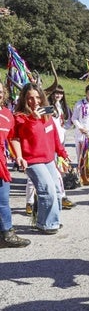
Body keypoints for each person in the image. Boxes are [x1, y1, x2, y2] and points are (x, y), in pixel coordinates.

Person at [11, 83, 71, 234]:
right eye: (30, 98)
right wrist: (32, 118)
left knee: (57, 191)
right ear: (24, 99)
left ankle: (52, 220)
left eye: (38, 97)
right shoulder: (19, 117)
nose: (35, 101)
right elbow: (20, 136)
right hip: (32, 160)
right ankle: (46, 224)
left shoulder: (47, 113)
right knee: (47, 191)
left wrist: (62, 153)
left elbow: (54, 135)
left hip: (49, 159)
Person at [0, 81, 31, 248]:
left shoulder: (7, 114)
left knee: (3, 200)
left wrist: (18, 156)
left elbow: (12, 137)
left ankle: (7, 235)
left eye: (0, 91)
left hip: (1, 165)